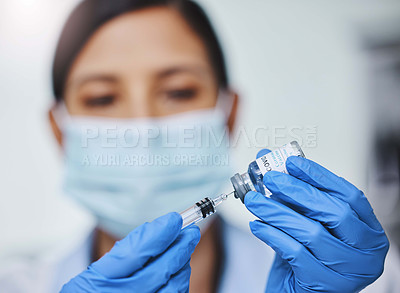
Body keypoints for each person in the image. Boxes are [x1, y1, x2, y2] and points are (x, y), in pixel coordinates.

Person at [48, 0, 390, 292]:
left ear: (229, 115)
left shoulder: (348, 277)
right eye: (102, 98)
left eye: (179, 92)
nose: (143, 128)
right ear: (59, 130)